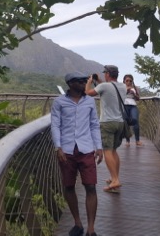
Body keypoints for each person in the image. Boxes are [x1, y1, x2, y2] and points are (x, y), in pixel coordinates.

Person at [51, 71, 103, 236]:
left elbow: (94, 124)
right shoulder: (59, 102)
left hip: (86, 148)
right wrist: (58, 147)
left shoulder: (89, 102)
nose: (83, 84)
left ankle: (91, 229)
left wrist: (99, 147)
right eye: (80, 81)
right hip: (66, 150)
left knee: (91, 186)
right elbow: (55, 125)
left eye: (84, 81)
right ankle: (78, 223)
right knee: (69, 186)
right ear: (70, 83)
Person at [85, 65, 127, 194]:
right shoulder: (123, 86)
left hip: (107, 123)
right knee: (114, 151)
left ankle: (115, 180)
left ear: (108, 74)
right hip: (120, 122)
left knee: (107, 151)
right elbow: (109, 88)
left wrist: (89, 82)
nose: (104, 75)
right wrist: (99, 82)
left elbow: (88, 93)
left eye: (105, 73)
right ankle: (115, 177)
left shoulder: (104, 86)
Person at [123, 74, 143, 146]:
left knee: (135, 120)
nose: (128, 82)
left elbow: (138, 98)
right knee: (126, 122)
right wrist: (126, 91)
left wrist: (134, 94)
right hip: (124, 105)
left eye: (130, 81)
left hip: (133, 105)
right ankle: (127, 141)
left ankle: (137, 140)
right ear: (124, 81)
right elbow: (118, 96)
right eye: (127, 80)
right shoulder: (121, 88)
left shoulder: (134, 88)